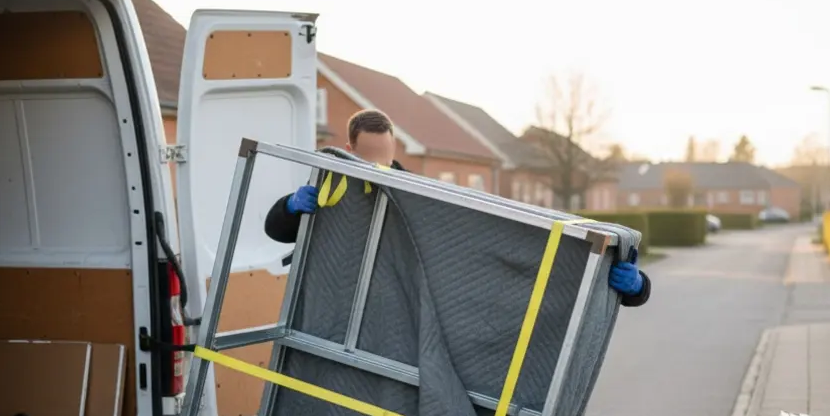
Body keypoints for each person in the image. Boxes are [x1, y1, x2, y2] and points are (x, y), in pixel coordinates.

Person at [264, 108, 650, 307]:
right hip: (332, 312)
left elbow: (496, 244)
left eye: (386, 161)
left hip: (395, 319)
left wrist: (636, 288)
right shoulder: (328, 190)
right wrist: (292, 208)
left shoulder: (417, 198)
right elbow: (275, 230)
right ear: (349, 150)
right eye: (369, 163)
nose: (379, 172)